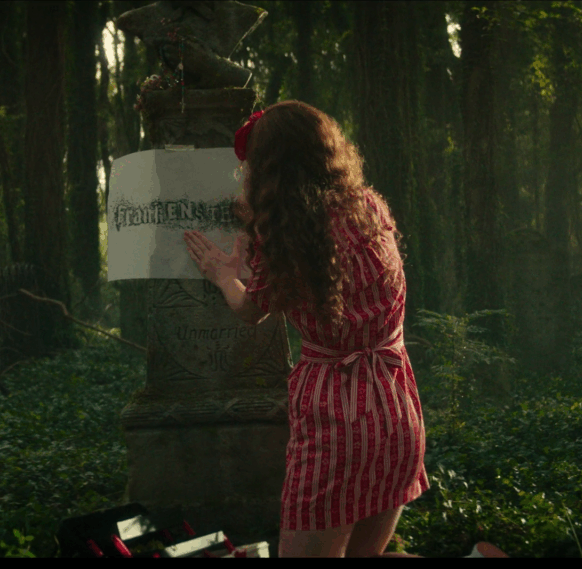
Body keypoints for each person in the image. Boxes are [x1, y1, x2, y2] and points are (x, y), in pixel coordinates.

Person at [183, 101, 429, 557]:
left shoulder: (286, 236)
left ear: (268, 169)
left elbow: (251, 311)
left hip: (338, 425)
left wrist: (225, 276)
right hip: (397, 412)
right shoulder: (370, 208)